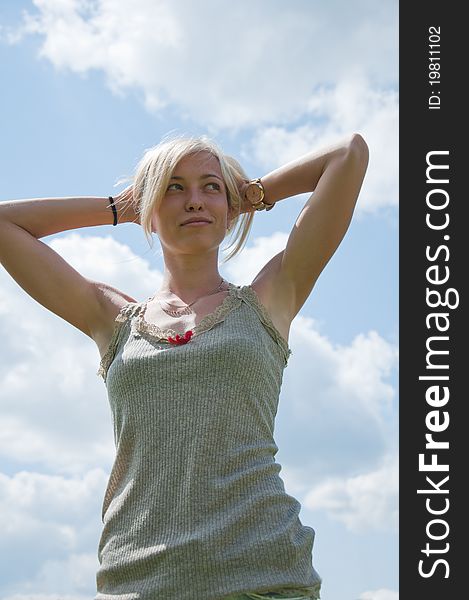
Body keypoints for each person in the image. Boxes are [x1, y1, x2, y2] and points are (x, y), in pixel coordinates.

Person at [0, 132, 369, 600]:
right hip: (137, 581)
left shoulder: (271, 298)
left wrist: (251, 194)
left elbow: (347, 154)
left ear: (230, 205)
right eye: (174, 187)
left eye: (210, 187)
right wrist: (121, 207)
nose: (194, 201)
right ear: (149, 208)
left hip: (265, 579)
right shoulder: (111, 319)